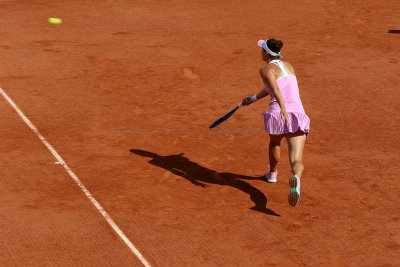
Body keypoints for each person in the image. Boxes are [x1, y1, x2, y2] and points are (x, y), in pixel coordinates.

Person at [242, 38, 310, 206]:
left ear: (266, 53)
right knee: (296, 160)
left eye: (261, 50)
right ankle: (296, 179)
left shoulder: (265, 69)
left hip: (279, 114)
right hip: (298, 115)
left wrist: (283, 111)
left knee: (275, 144)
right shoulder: (289, 65)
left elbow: (276, 91)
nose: (260, 52)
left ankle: (272, 174)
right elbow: (272, 88)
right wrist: (253, 98)